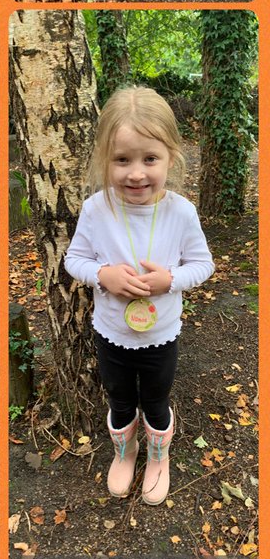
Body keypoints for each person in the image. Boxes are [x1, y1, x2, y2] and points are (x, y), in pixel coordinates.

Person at [64, 86, 214, 505]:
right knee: (119, 396)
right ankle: (125, 452)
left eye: (150, 159)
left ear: (171, 156)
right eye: (122, 160)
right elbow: (73, 260)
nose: (136, 174)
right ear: (104, 160)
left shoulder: (181, 212)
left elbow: (203, 265)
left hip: (161, 334)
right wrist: (101, 274)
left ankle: (158, 458)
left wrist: (172, 280)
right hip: (111, 332)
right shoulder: (97, 209)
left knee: (156, 397)